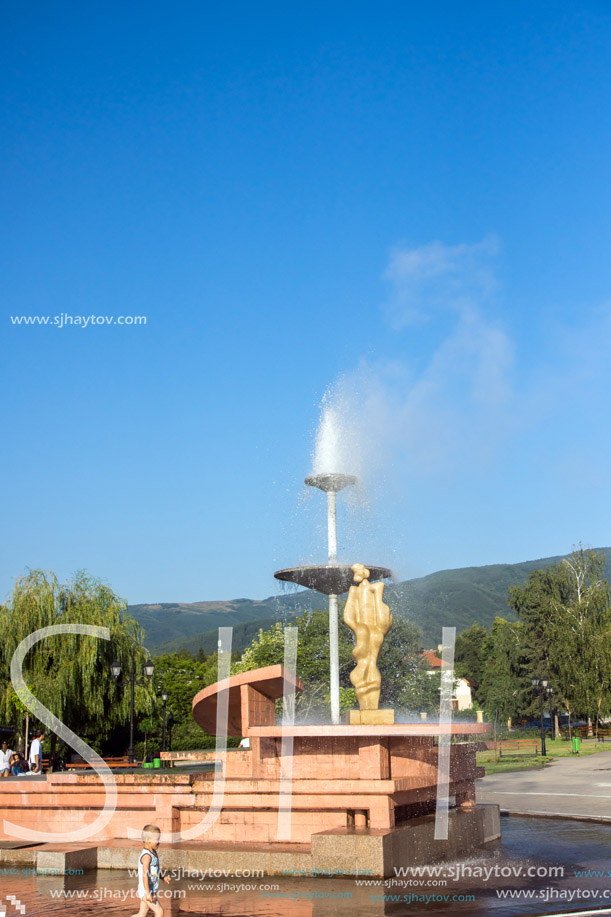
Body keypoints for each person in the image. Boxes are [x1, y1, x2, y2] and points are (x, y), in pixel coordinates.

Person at [130, 824, 171, 916]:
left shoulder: (153, 852)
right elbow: (145, 875)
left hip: (151, 890)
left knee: (141, 914)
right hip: (146, 891)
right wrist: (148, 893)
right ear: (148, 840)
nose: (159, 842)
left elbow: (154, 870)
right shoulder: (147, 856)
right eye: (156, 840)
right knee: (159, 912)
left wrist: (162, 877)